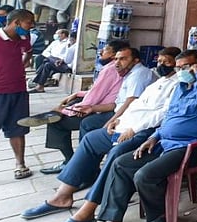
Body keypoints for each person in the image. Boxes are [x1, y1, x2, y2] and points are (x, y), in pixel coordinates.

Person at [65, 50, 197, 222]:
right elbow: (170, 117)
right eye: (178, 68)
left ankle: (157, 217)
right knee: (120, 164)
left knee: (144, 175)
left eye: (185, 67)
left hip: (193, 147)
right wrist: (153, 137)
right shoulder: (181, 87)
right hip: (165, 142)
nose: (181, 72)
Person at [19, 47, 181, 222]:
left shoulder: (177, 84)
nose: (162, 65)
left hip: (144, 131)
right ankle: (62, 195)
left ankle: (88, 209)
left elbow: (163, 113)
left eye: (167, 62)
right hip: (127, 124)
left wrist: (134, 128)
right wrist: (118, 120)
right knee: (90, 140)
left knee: (117, 155)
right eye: (160, 61)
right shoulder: (158, 81)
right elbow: (136, 104)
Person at [34, 43, 155, 174]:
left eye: (122, 58)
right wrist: (87, 105)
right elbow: (115, 101)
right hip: (110, 109)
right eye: (117, 59)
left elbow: (123, 101)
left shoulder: (134, 74)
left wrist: (69, 110)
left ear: (135, 60)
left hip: (125, 116)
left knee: (70, 122)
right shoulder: (125, 72)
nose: (117, 62)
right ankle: (81, 165)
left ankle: (80, 165)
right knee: (78, 118)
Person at [0, 9, 35, 179]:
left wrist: (21, 65)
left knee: (18, 129)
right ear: (16, 22)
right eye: (29, 22)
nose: (32, 25)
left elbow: (29, 51)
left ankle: (20, 164)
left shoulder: (23, 38)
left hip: (19, 91)